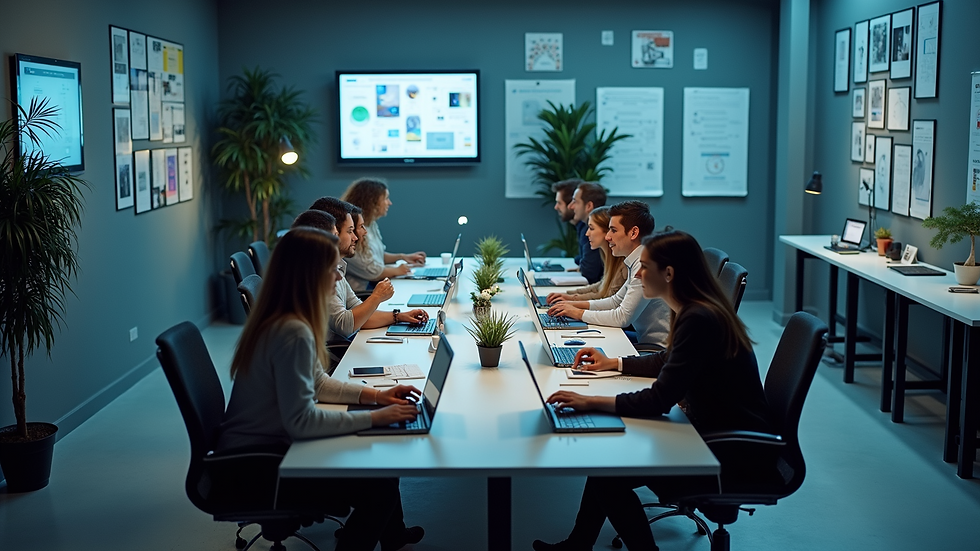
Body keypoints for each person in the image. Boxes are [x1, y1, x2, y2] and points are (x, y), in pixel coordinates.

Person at [533, 230, 774, 551]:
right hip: (712, 431)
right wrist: (614, 363)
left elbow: (659, 399)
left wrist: (590, 402)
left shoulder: (699, 318)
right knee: (604, 466)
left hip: (730, 452)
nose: (638, 274)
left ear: (669, 273)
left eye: (645, 267)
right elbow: (667, 360)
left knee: (608, 477)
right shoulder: (694, 309)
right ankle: (578, 545)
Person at [215, 227, 426, 551]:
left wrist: (375, 397)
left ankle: (391, 537)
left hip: (263, 450)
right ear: (309, 275)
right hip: (257, 467)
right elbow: (302, 423)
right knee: (379, 488)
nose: (339, 278)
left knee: (381, 474)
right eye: (332, 269)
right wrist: (375, 418)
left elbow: (317, 382)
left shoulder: (287, 315)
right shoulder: (292, 331)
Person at [297, 202, 428, 342]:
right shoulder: (319, 275)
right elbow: (345, 326)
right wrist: (376, 297)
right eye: (349, 231)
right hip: (336, 352)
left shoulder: (337, 267)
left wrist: (398, 316)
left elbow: (360, 313)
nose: (355, 237)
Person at [546, 201, 670, 347]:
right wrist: (571, 305)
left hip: (657, 348)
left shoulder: (644, 265)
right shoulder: (638, 259)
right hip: (644, 340)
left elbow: (622, 317)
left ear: (633, 233)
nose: (607, 237)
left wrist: (577, 313)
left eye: (613, 230)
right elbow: (615, 301)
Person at [341, 178, 427, 291]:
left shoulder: (370, 224)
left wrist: (402, 257)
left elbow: (376, 256)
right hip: (364, 291)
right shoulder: (353, 232)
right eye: (386, 198)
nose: (389, 203)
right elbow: (371, 272)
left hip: (376, 286)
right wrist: (398, 270)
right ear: (372, 202)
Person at [546, 206, 627, 303]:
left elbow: (606, 297)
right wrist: (568, 294)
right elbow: (601, 286)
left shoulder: (623, 265)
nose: (587, 233)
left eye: (591, 228)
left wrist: (571, 298)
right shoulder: (606, 256)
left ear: (607, 231)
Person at [568, 182, 607, 284]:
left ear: (589, 206)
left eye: (575, 201)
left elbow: (589, 272)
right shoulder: (583, 226)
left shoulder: (596, 231)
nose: (571, 206)